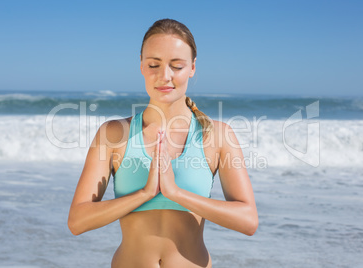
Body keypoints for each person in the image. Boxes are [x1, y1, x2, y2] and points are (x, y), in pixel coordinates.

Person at [68, 18, 258, 268]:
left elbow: (248, 221)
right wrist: (144, 193)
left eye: (176, 66)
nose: (164, 76)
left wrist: (176, 193)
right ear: (141, 66)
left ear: (192, 67)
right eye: (154, 65)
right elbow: (77, 222)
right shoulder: (114, 135)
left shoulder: (216, 136)